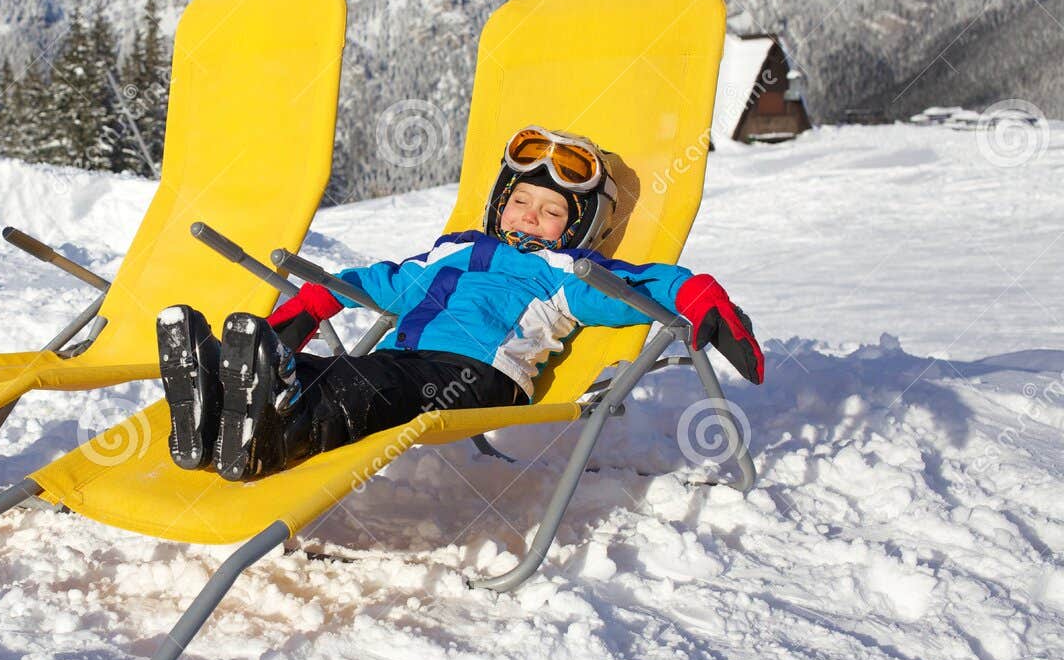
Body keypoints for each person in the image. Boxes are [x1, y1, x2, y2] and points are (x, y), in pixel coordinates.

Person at [155, 124, 764, 482]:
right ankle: (222, 402)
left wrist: (695, 293)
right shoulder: (446, 254)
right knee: (340, 376)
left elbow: (637, 286)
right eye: (523, 200)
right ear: (500, 203)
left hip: (473, 376)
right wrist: (313, 301)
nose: (534, 216)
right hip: (402, 362)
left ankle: (267, 441)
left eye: (554, 212)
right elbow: (379, 278)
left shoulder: (566, 272)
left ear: (577, 228)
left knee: (365, 389)